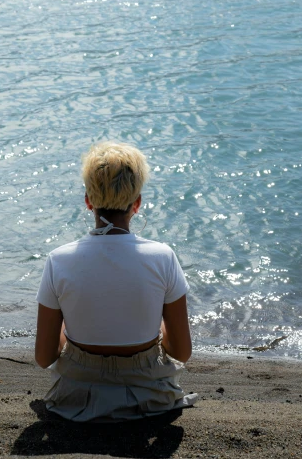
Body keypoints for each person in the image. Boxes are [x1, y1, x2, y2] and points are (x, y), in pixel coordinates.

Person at [35, 140, 198, 422]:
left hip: (75, 396)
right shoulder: (162, 257)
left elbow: (44, 356)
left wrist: (73, 320)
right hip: (150, 394)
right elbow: (181, 352)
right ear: (137, 203)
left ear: (88, 201)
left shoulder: (58, 260)